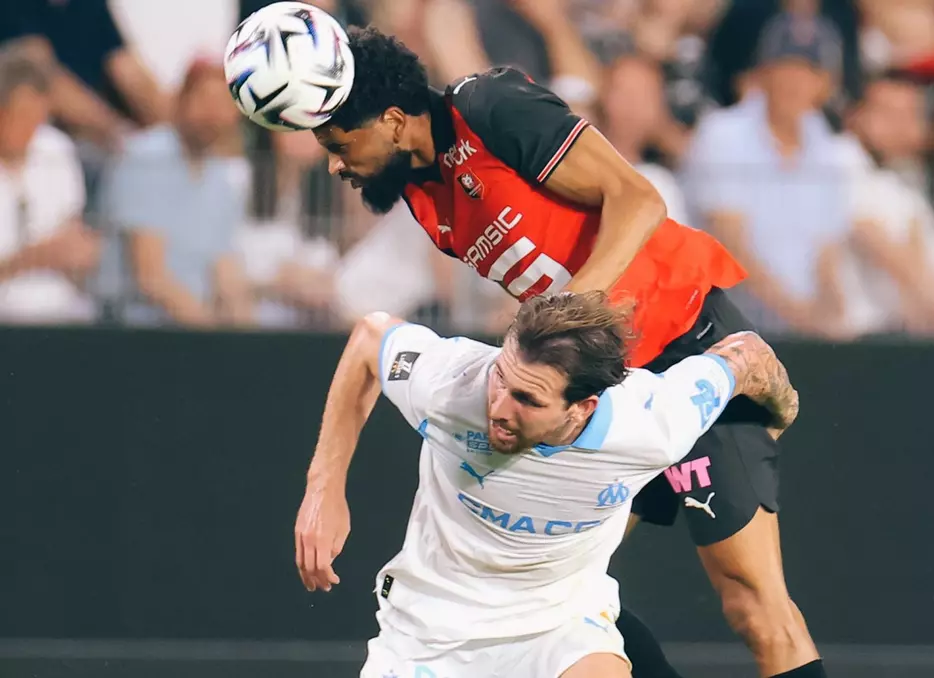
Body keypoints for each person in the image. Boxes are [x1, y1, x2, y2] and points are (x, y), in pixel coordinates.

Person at [309, 25, 828, 678]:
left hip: (682, 346)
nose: (335, 164)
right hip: (591, 390)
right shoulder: (422, 194)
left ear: (391, 120)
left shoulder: (489, 107)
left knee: (755, 608)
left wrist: (562, 322)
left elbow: (637, 199)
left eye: (339, 144)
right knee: (551, 593)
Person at [296, 291, 799, 678]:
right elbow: (370, 337)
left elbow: (746, 356)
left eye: (527, 400)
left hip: (562, 623)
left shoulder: (652, 423)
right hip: (431, 625)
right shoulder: (452, 382)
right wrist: (324, 488)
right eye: (501, 378)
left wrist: (780, 414)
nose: (498, 407)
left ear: (583, 407)